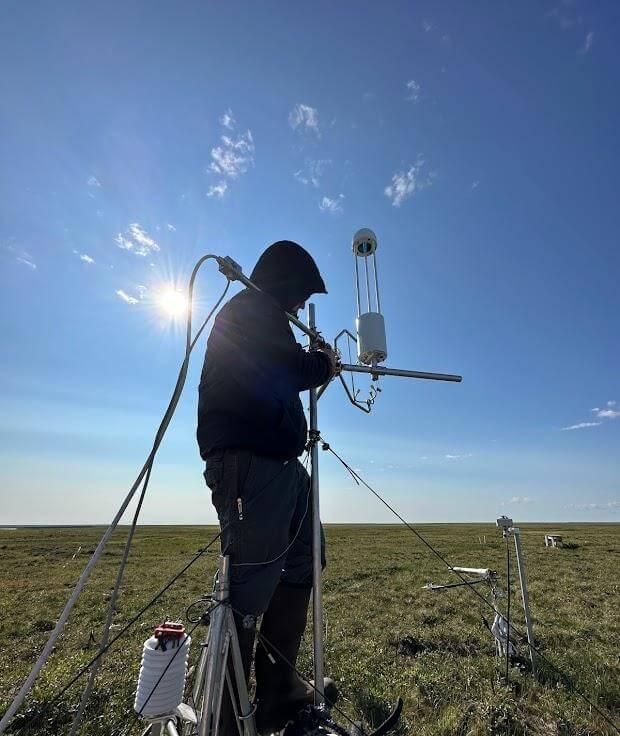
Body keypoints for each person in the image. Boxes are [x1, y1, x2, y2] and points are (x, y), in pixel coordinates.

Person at [197, 240, 339, 734]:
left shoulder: (266, 319)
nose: (301, 306)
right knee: (249, 589)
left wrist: (312, 360)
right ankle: (225, 721)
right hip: (250, 468)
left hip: (280, 467)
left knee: (303, 564)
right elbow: (284, 371)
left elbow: (280, 371)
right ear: (283, 284)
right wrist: (323, 363)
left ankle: (279, 693)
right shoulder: (250, 310)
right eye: (300, 295)